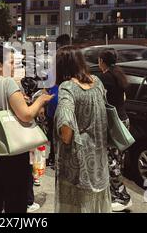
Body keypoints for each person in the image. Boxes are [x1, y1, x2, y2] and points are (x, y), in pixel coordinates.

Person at [0, 45, 53, 213]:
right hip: (11, 151)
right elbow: (26, 115)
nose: (15, 67)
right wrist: (41, 100)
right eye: (11, 62)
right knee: (15, 201)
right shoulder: (8, 83)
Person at [54, 46, 111, 213]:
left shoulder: (67, 87)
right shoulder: (97, 82)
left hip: (77, 165)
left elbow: (66, 126)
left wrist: (65, 137)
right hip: (99, 161)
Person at [98, 49, 132, 212]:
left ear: (102, 61)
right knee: (118, 160)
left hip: (114, 123)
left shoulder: (105, 78)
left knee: (112, 161)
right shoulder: (119, 74)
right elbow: (123, 98)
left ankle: (123, 197)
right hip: (124, 120)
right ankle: (115, 192)